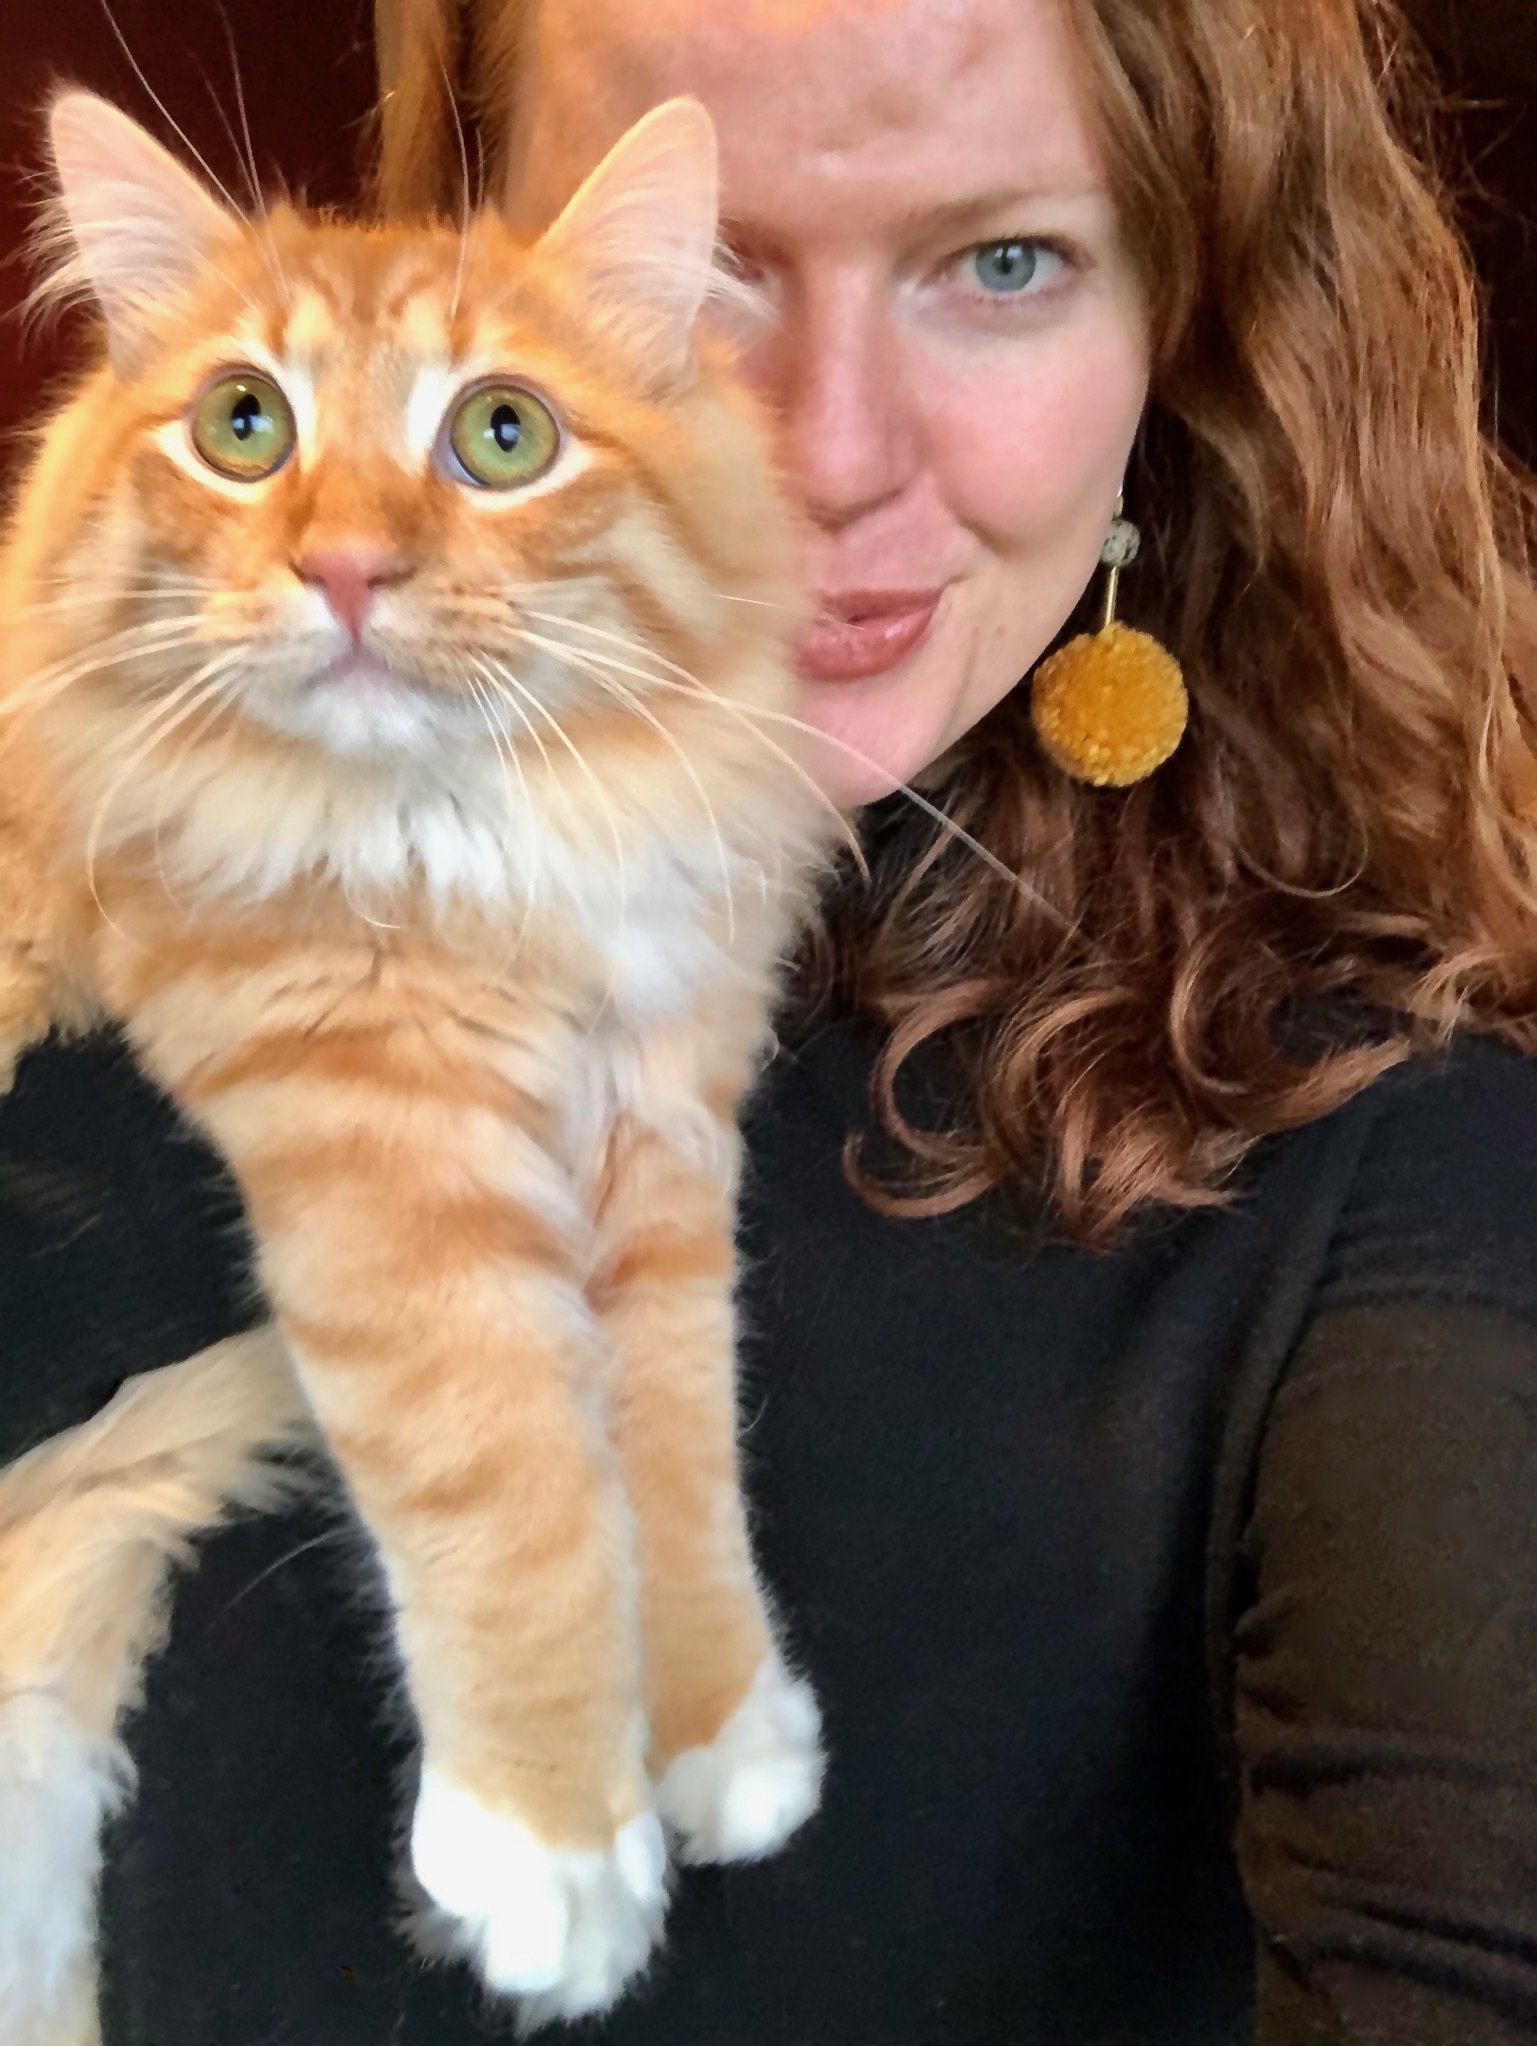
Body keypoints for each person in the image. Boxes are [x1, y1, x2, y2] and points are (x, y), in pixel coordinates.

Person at [5, 0, 1537, 2039]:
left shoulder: (1389, 1161)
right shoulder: (103, 923)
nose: (817, 456)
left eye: (1001, 264)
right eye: (704, 260)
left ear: (1185, 325)